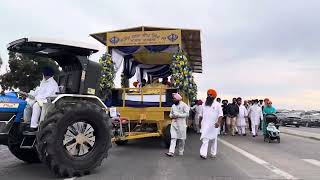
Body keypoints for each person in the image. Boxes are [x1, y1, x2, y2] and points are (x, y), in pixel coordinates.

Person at [23, 67, 59, 132]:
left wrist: (35, 99)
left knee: (36, 105)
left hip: (49, 102)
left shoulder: (52, 84)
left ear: (45, 74)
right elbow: (39, 93)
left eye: (43, 73)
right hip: (41, 100)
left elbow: (47, 95)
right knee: (27, 104)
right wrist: (30, 96)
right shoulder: (44, 82)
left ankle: (34, 126)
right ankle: (27, 123)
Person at [199, 89, 223, 159]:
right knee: (205, 139)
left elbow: (220, 115)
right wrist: (200, 123)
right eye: (208, 95)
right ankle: (203, 154)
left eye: (210, 95)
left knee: (213, 139)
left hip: (214, 125)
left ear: (214, 96)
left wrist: (218, 122)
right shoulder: (204, 104)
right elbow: (201, 115)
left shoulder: (218, 105)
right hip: (205, 125)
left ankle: (213, 153)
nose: (209, 96)